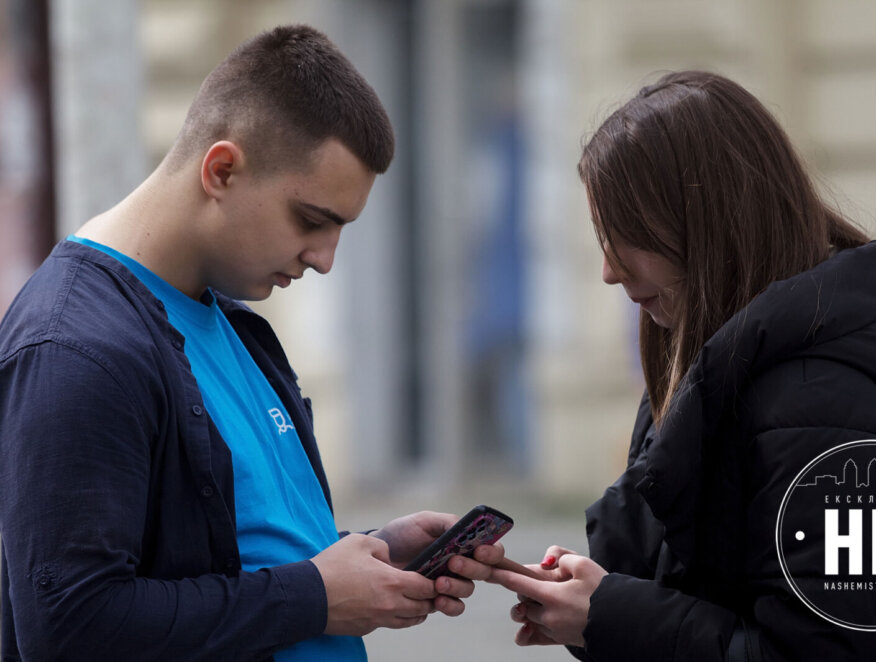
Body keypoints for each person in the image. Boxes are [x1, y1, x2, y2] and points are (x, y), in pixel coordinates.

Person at [0, 24, 501, 661]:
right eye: (312, 220)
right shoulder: (74, 347)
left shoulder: (231, 320)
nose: (324, 259)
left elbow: (228, 557)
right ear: (222, 169)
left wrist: (367, 554)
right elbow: (72, 625)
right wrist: (316, 596)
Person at [490, 71, 876, 661]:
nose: (609, 270)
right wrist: (583, 596)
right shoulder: (707, 372)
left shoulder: (829, 409)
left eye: (626, 235)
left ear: (703, 224)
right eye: (602, 237)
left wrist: (611, 613)